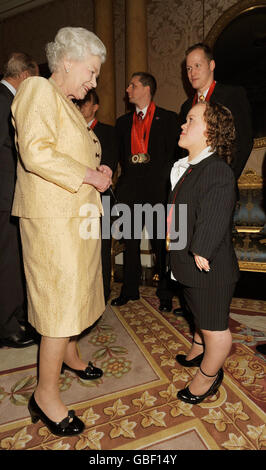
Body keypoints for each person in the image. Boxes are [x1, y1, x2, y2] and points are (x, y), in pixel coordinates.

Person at [11, 27, 112, 436]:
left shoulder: (69, 104)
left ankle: (70, 354)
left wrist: (99, 169)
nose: (92, 83)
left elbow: (80, 152)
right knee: (58, 306)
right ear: (67, 61)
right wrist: (89, 173)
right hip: (53, 221)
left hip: (75, 217)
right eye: (90, 72)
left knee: (77, 294)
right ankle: (45, 395)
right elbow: (36, 152)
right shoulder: (37, 88)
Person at [173, 42, 253, 317]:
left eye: (197, 65)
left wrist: (225, 177)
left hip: (217, 186)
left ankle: (213, 317)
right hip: (192, 186)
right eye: (188, 68)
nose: (192, 71)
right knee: (188, 245)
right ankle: (197, 322)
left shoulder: (232, 94)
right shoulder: (187, 105)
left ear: (211, 65)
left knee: (212, 248)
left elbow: (244, 140)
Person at [168, 101, 239, 405]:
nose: (183, 125)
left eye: (191, 120)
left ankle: (208, 376)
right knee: (196, 310)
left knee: (215, 329)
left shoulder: (217, 171)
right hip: (189, 264)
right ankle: (198, 347)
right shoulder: (190, 168)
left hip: (209, 267)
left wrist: (201, 248)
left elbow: (215, 213)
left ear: (209, 132)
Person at [111, 72, 179, 312]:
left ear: (147, 89)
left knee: (161, 245)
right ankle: (129, 290)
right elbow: (118, 158)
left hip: (158, 191)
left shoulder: (169, 119)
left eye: (133, 85)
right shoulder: (122, 123)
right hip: (130, 192)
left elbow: (176, 157)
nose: (128, 89)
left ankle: (165, 294)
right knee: (130, 244)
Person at [0, 52, 39, 348]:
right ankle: (7, 326)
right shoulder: (5, 102)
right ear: (25, 76)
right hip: (5, 195)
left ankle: (15, 316)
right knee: (8, 260)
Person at [77, 90, 117, 303]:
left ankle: (102, 293)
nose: (81, 105)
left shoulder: (108, 132)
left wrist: (104, 171)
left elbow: (110, 160)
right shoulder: (72, 130)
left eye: (86, 102)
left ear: (95, 107)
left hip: (101, 197)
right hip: (76, 196)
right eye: (80, 102)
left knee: (101, 246)